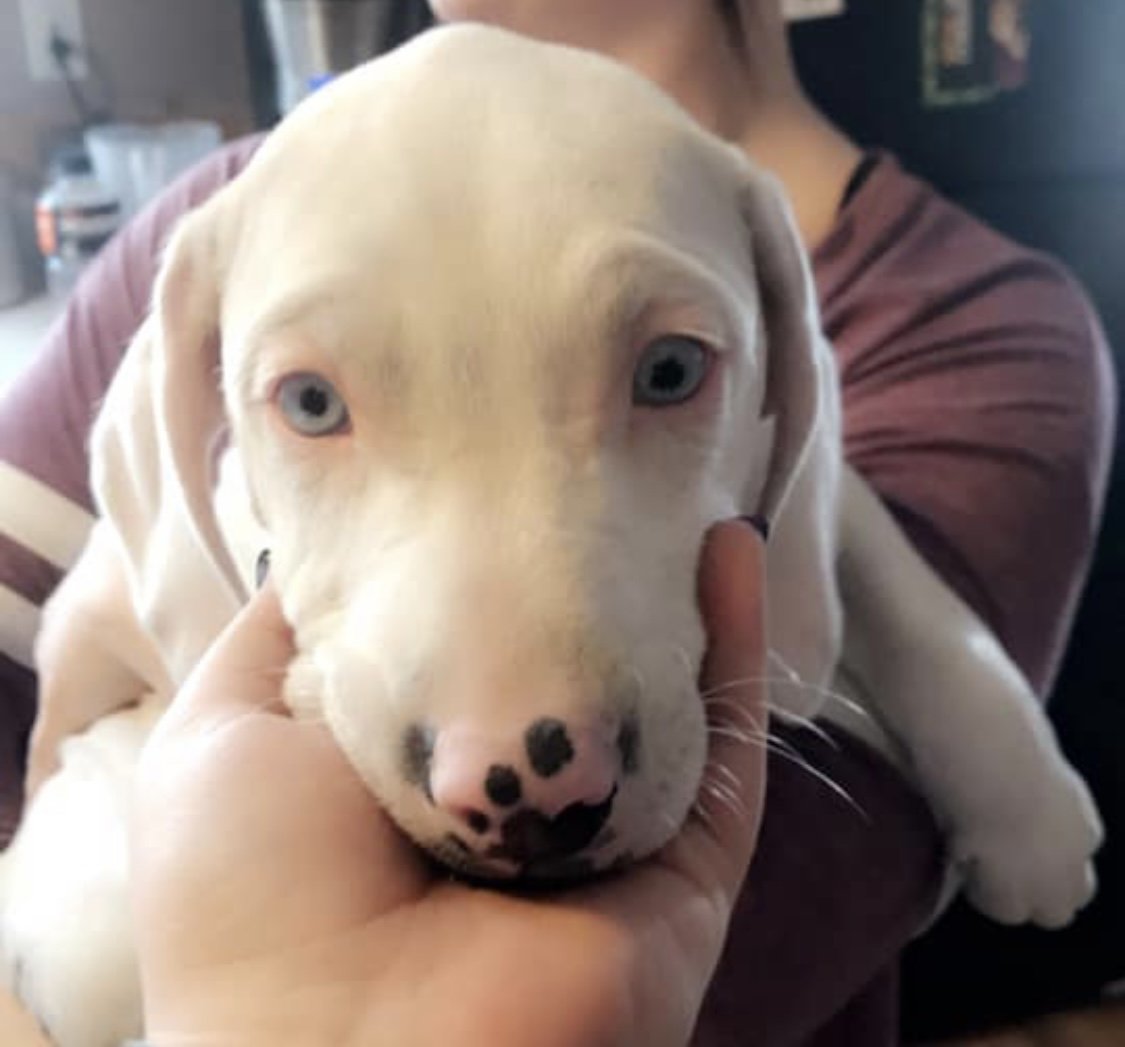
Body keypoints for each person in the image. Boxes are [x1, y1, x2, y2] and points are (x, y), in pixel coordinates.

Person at [0, 0, 1112, 1043]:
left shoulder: (972, 334)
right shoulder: (241, 218)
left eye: (669, 372)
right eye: (313, 402)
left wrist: (965, 701)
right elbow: (64, 638)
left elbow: (731, 928)